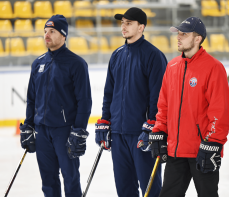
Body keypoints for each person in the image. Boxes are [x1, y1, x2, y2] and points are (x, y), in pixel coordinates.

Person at [148, 17, 229, 197]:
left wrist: (213, 144)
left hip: (203, 151)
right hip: (175, 152)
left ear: (197, 39)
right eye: (178, 33)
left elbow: (220, 111)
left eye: (184, 34)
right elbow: (163, 106)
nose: (178, 37)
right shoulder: (172, 66)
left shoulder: (213, 67)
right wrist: (159, 131)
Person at [94, 7, 167, 197]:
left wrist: (153, 124)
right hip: (118, 134)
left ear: (141, 27)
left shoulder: (153, 55)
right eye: (122, 23)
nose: (123, 27)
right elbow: (109, 92)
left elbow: (158, 95)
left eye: (129, 23)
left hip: (142, 134)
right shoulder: (117, 55)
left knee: (150, 189)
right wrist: (105, 120)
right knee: (124, 189)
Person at [19, 15, 92, 197]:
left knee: (71, 178)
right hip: (42, 132)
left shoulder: (77, 64)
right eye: (45, 31)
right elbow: (31, 99)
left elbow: (84, 101)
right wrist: (28, 126)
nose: (47, 35)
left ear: (63, 35)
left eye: (52, 31)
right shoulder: (38, 63)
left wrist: (79, 130)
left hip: (65, 132)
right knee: (48, 180)